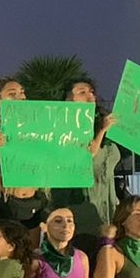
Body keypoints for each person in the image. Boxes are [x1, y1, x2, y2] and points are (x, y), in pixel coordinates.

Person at [0, 76, 47, 239]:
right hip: (3, 206)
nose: (20, 97)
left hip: (33, 206)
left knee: (29, 258)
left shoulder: (35, 131)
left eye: (22, 93)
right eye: (12, 94)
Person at [51, 78, 121, 250]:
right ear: (68, 100)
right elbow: (83, 158)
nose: (90, 96)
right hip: (81, 214)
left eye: (91, 92)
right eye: (82, 92)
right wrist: (102, 131)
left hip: (108, 210)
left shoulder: (104, 123)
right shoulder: (62, 131)